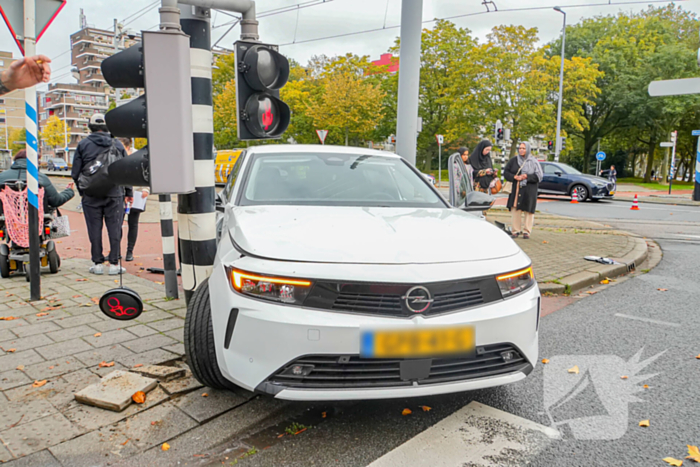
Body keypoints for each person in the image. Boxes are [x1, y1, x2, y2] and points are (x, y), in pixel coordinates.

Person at [71, 114, 132, 275]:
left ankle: (97, 263)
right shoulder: (117, 144)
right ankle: (114, 264)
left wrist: (83, 191)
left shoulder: (83, 145)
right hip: (115, 194)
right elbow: (125, 170)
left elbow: (75, 172)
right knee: (115, 228)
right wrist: (129, 192)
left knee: (94, 229)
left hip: (91, 196)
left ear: (90, 126)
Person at [0, 150, 74, 207]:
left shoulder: (2, 177)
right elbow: (56, 201)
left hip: (6, 218)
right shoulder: (41, 178)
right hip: (37, 219)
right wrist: (69, 191)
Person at [118, 138, 149, 262]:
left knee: (133, 223)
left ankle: (129, 251)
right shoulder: (116, 155)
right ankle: (116, 251)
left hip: (137, 193)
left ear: (127, 147)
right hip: (120, 193)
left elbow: (147, 172)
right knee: (116, 224)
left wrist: (146, 189)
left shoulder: (139, 157)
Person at [504, 142, 543, 240]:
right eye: (520, 148)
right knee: (515, 209)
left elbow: (539, 176)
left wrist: (527, 176)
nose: (521, 150)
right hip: (516, 188)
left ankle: (527, 231)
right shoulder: (514, 160)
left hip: (529, 189)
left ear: (528, 149)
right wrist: (514, 177)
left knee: (528, 210)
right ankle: (515, 230)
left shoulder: (534, 162)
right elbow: (506, 173)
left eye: (523, 148)